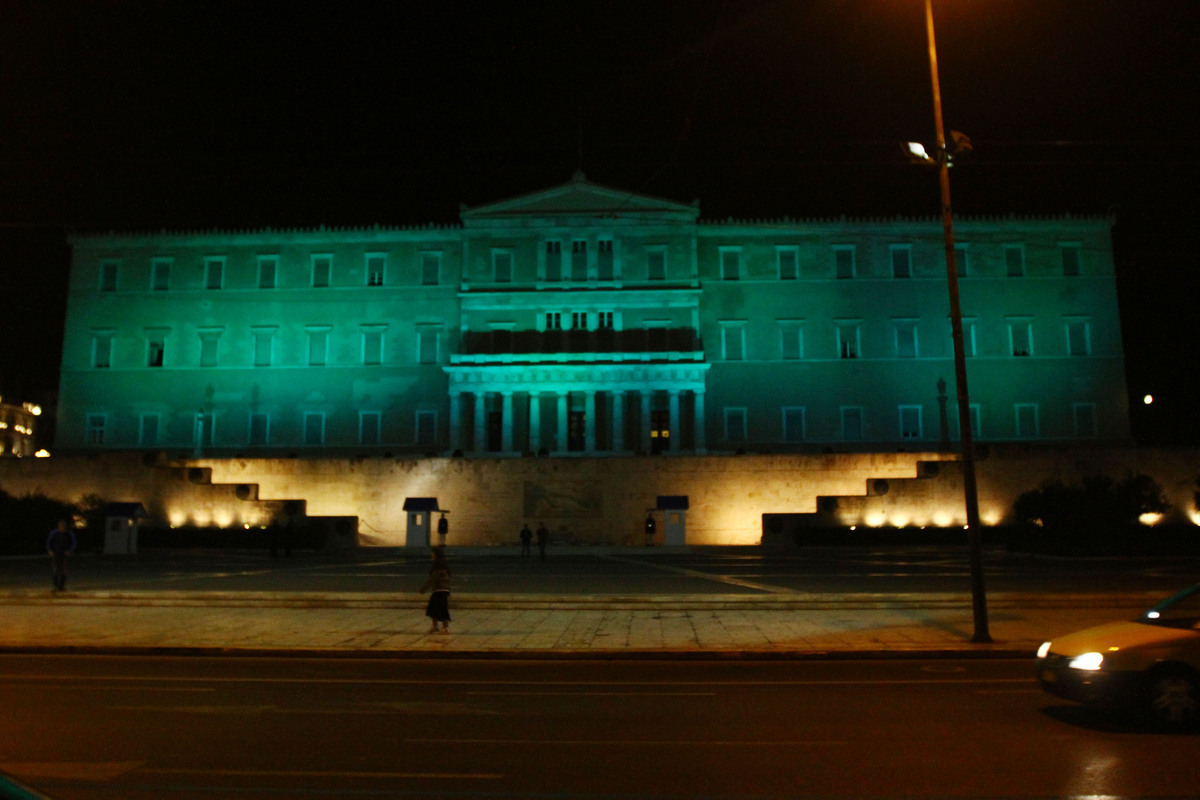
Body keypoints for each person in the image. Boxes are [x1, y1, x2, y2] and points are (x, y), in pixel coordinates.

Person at [419, 545, 452, 634]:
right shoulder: (444, 564)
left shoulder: (437, 565)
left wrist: (423, 589)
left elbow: (432, 579)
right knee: (437, 608)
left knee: (436, 608)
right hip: (444, 590)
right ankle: (437, 626)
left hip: (438, 590)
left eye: (433, 553)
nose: (431, 555)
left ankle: (443, 627)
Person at [46, 519, 77, 591]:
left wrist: (69, 551)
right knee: (55, 569)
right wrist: (49, 550)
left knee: (63, 569)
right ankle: (56, 585)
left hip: (64, 553)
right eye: (60, 527)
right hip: (55, 553)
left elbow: (74, 543)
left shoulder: (69, 533)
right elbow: (48, 542)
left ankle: (61, 585)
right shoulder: (53, 532)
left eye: (63, 527)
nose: (62, 529)